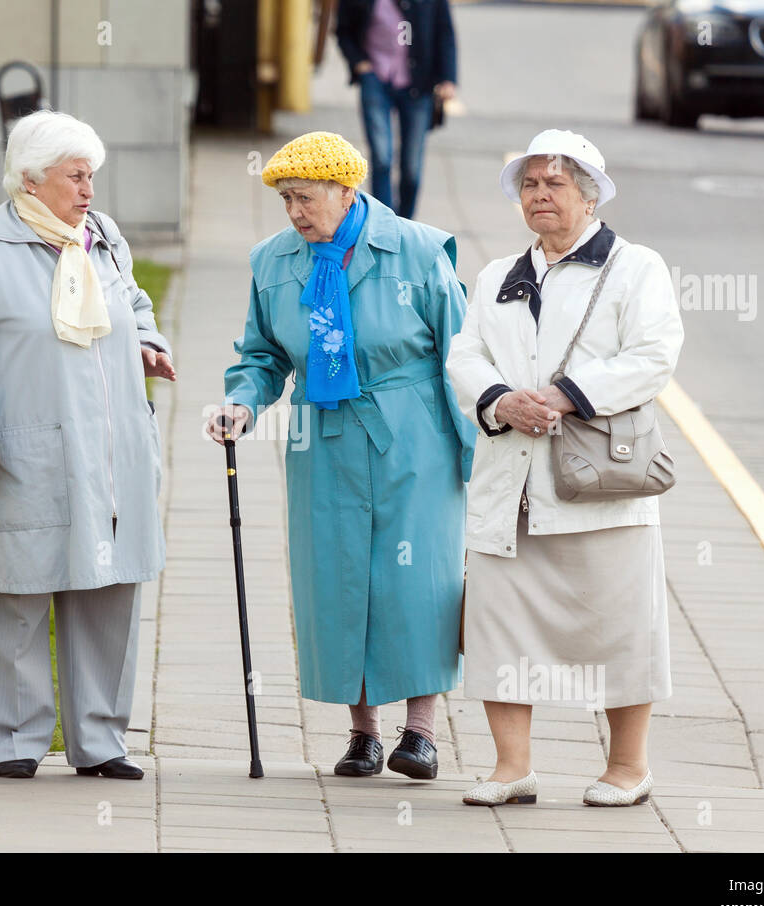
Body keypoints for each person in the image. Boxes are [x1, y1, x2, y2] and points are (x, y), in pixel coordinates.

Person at [207, 131, 478, 780]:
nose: (296, 213)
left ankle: (421, 731)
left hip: (413, 436)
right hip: (322, 439)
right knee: (339, 578)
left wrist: (479, 445)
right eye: (286, 200)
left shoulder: (414, 251)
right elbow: (263, 354)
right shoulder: (274, 261)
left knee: (417, 580)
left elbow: (464, 351)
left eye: (305, 198)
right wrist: (241, 402)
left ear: (346, 190)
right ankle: (363, 733)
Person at [0, 110, 176, 781]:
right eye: (76, 176)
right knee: (16, 590)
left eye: (92, 175)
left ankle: (102, 739)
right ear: (31, 180)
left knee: (108, 588)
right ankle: (11, 739)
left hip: (110, 451)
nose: (89, 190)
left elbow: (136, 304)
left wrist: (148, 343)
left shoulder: (104, 240)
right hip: (24, 451)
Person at [446, 129, 683, 807]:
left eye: (554, 183)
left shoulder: (636, 268)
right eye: (529, 184)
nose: (539, 195)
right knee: (499, 623)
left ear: (590, 195)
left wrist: (566, 395)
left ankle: (628, 766)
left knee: (620, 625)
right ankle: (511, 765)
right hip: (511, 481)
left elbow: (655, 355)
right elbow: (465, 357)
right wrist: (499, 399)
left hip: (599, 480)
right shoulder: (497, 275)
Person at [335, 0, 458, 219]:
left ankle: (404, 225)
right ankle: (384, 224)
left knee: (411, 169)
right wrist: (358, 63)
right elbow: (343, 30)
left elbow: (445, 32)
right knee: (382, 158)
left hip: (419, 85)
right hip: (375, 80)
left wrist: (448, 79)